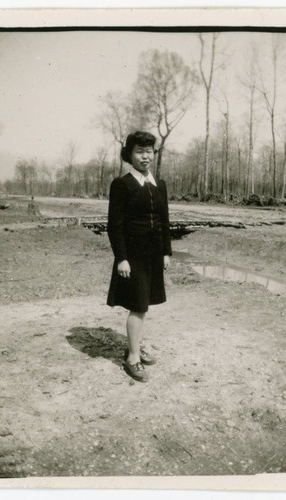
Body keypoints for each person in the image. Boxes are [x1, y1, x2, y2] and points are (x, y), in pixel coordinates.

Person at [107, 131, 172, 382]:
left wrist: (166, 252)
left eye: (149, 152)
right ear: (129, 155)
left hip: (153, 255)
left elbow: (164, 221)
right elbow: (115, 226)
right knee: (138, 306)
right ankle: (132, 358)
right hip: (132, 257)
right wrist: (121, 258)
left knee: (143, 305)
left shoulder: (159, 185)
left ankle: (134, 346)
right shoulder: (121, 185)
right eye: (139, 152)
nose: (145, 157)